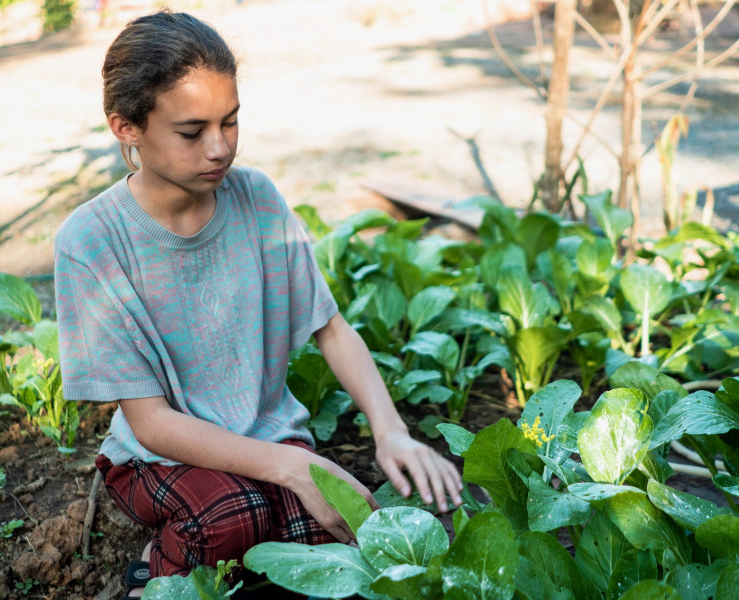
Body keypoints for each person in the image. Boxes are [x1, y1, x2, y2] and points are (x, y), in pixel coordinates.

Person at [54, 8, 462, 596]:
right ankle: (155, 572)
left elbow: (331, 329)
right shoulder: (92, 242)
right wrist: (294, 467)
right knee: (233, 519)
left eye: (231, 121)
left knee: (337, 532)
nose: (220, 148)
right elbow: (152, 422)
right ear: (127, 128)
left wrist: (390, 431)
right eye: (192, 132)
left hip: (268, 436)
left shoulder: (258, 200)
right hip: (157, 457)